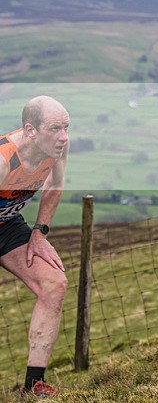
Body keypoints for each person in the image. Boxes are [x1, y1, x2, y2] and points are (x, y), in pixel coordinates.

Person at [0, 96, 70, 398]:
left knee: (54, 283)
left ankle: (33, 385)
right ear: (30, 130)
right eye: (55, 129)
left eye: (66, 127)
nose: (63, 136)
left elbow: (55, 185)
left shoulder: (57, 149)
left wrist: (39, 233)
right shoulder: (4, 161)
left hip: (7, 224)